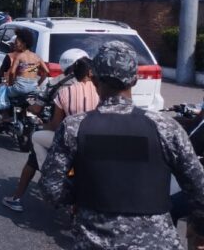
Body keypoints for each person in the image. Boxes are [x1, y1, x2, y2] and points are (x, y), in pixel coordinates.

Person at [40, 41, 204, 249]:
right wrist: (199, 229)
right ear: (134, 80)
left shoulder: (74, 128)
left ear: (95, 79)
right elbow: (199, 188)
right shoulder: (165, 128)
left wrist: (85, 189)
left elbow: (50, 190)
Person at [2, 49, 98, 212]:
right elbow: (42, 73)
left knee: (35, 150)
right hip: (94, 137)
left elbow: (12, 74)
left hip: (63, 132)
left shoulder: (57, 84)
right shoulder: (98, 87)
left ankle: (19, 196)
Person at [6, 28, 48, 101]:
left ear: (24, 43)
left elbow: (12, 72)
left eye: (17, 42)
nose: (15, 44)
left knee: (0, 91)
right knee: (30, 105)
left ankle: (5, 112)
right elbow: (46, 71)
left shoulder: (19, 56)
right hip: (33, 89)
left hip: (19, 88)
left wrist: (10, 84)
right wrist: (38, 84)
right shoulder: (37, 57)